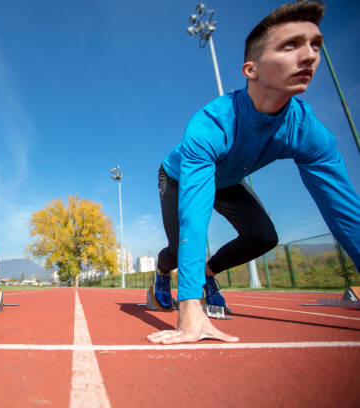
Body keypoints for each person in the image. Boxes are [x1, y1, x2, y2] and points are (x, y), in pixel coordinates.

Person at [148, 0, 360, 345]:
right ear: (252, 69)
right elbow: (194, 218)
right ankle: (161, 272)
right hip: (178, 176)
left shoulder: (307, 131)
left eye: (315, 45)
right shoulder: (212, 124)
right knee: (180, 245)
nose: (309, 56)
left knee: (263, 236)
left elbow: (345, 212)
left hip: (227, 180)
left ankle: (209, 273)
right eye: (290, 45)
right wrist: (189, 306)